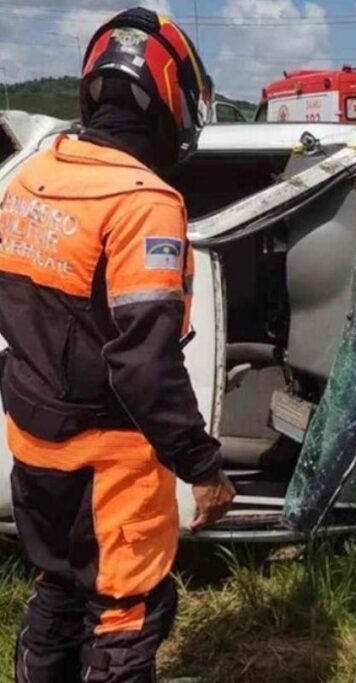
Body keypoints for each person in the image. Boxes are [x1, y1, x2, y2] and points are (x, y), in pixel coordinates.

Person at [0, 8, 235, 681]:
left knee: (56, 582)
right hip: (110, 464)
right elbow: (144, 366)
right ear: (171, 95)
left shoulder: (34, 178)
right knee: (127, 611)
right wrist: (203, 467)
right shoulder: (144, 202)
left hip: (35, 446)